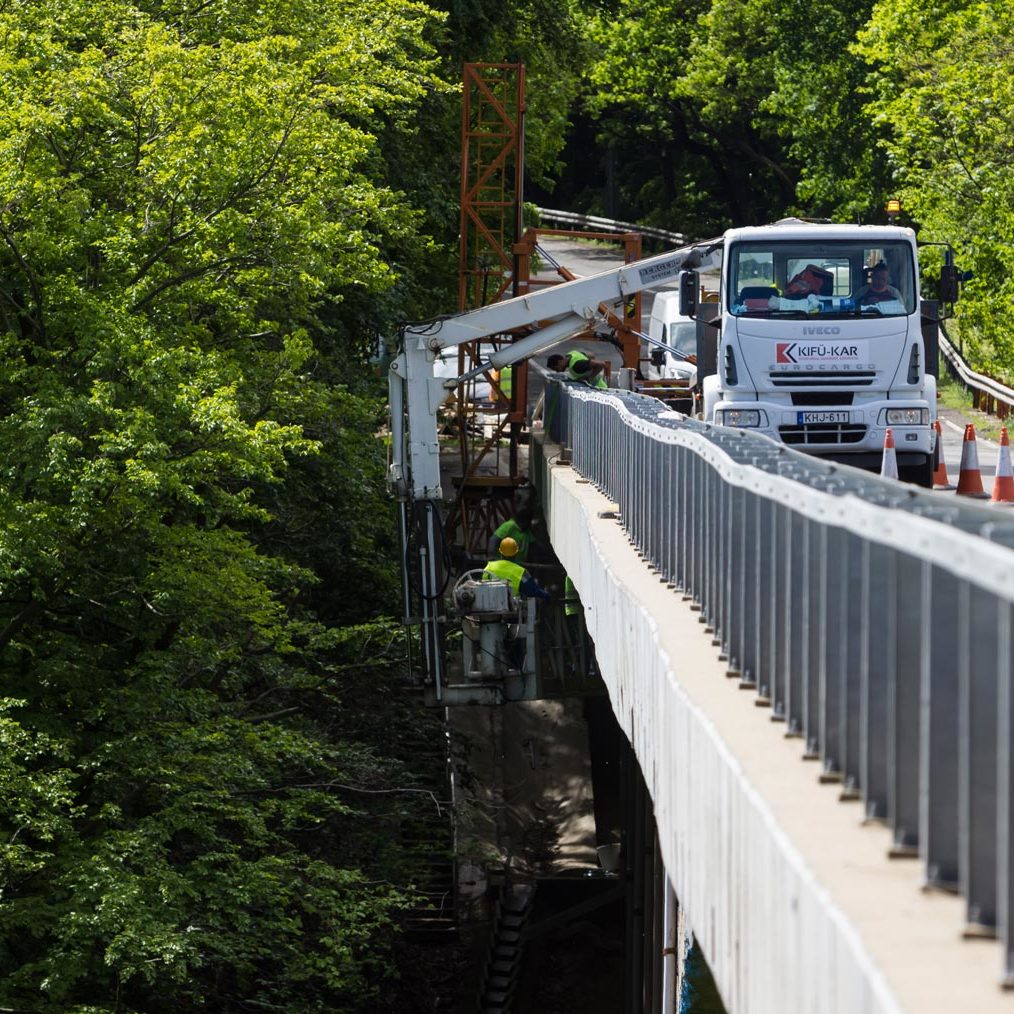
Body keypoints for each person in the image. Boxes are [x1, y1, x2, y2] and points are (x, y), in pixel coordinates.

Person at [482, 537, 550, 600]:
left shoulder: (489, 566)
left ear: (500, 552)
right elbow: (533, 590)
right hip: (509, 609)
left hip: (487, 605)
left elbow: (483, 584)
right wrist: (546, 595)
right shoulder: (521, 572)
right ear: (516, 554)